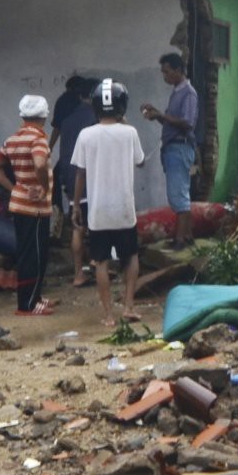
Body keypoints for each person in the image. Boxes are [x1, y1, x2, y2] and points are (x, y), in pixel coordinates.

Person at [71, 78, 146, 326]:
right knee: (131, 256)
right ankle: (129, 306)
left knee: (100, 261)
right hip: (124, 209)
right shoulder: (130, 133)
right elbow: (140, 161)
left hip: (98, 211)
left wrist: (74, 205)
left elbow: (80, 173)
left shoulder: (85, 135)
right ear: (122, 105)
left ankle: (107, 315)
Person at [0, 95, 56, 317]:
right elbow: (39, 164)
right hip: (34, 207)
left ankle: (35, 297)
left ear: (22, 115)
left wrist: (13, 187)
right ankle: (27, 304)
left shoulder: (13, 139)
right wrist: (43, 188)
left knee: (34, 252)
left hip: (21, 204)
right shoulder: (38, 139)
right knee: (33, 255)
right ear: (44, 117)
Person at [141, 52, 199, 249]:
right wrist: (157, 113)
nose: (164, 76)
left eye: (166, 72)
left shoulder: (188, 93)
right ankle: (187, 235)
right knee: (180, 193)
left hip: (180, 147)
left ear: (177, 70)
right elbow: (173, 121)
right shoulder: (177, 92)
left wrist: (162, 116)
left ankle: (180, 239)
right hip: (173, 148)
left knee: (178, 195)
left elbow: (187, 123)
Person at [50, 74, 96, 288]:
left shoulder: (67, 118)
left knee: (77, 224)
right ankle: (97, 265)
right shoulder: (94, 116)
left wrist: (48, 150)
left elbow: (57, 133)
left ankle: (79, 273)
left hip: (69, 174)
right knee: (96, 225)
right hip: (90, 177)